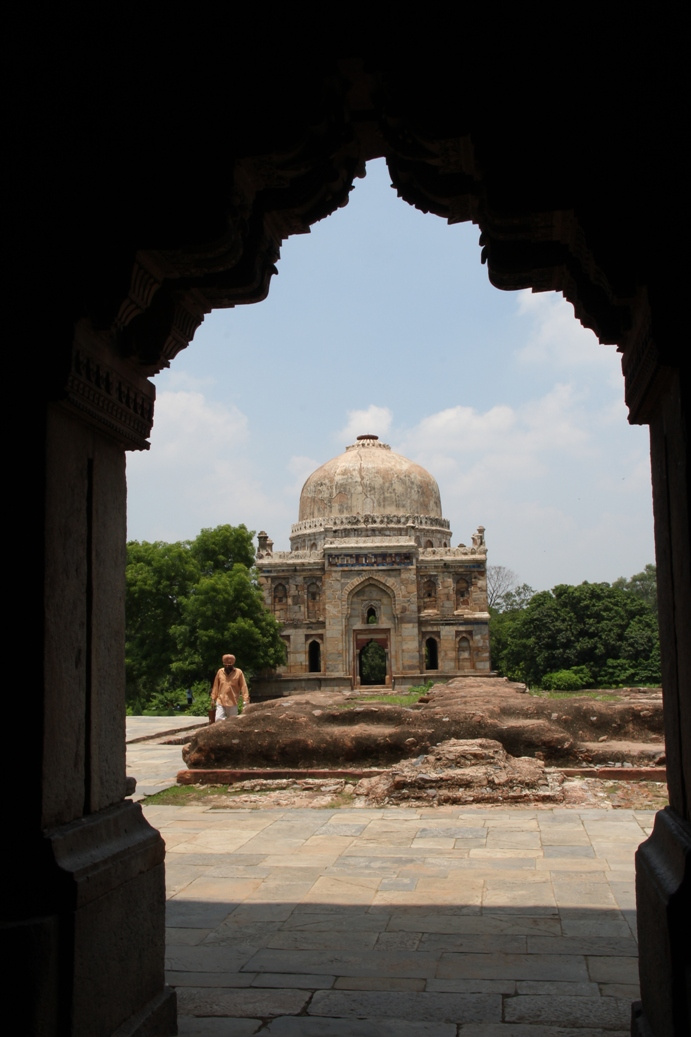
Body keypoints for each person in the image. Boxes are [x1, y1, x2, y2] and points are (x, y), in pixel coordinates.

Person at [211, 654, 250, 721]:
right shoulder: (220, 672)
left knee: (232, 721)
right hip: (221, 700)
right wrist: (213, 699)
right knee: (218, 719)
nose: (227, 666)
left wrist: (245, 700)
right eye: (226, 665)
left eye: (229, 665)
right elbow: (215, 686)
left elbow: (244, 687)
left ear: (232, 664)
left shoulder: (238, 672)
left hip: (233, 702)